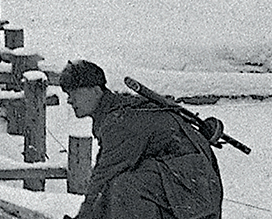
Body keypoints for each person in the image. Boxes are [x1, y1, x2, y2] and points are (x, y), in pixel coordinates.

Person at [61, 59, 223, 219]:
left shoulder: (120, 120)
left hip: (194, 188)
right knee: (118, 188)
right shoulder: (115, 112)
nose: (69, 100)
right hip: (192, 185)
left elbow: (103, 175)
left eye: (74, 92)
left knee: (123, 187)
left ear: (95, 90)